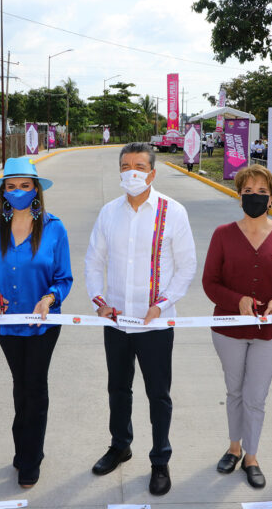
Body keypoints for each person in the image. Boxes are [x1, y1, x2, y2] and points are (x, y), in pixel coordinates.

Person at [85, 142, 197, 496]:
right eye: (125, 165)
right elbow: (93, 261)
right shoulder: (108, 213)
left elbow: (186, 266)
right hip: (116, 320)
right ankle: (120, 445)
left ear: (152, 172)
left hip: (155, 323)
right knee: (118, 388)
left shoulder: (172, 211)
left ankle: (160, 459)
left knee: (158, 393)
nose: (131, 171)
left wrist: (161, 305)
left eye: (138, 165)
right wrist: (100, 302)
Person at [202, 165, 272, 488]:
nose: (255, 197)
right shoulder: (222, 234)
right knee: (234, 390)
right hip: (228, 329)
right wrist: (238, 301)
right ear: (239, 196)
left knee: (255, 395)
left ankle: (252, 456)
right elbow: (210, 282)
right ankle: (234, 448)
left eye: (262, 193)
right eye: (249, 192)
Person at [0, 157, 73, 488]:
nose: (17, 192)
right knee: (21, 385)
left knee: (35, 385)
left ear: (36, 189)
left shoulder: (55, 228)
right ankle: (23, 449)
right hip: (5, 322)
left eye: (24, 186)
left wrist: (49, 298)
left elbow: (63, 278)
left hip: (44, 324)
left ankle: (31, 459)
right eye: (11, 186)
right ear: (3, 191)